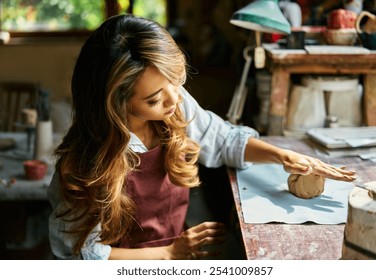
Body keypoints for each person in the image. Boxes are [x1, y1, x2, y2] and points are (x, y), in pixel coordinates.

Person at [47, 14, 356, 260]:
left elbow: (224, 140)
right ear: (115, 104)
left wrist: (286, 157)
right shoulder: (83, 167)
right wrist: (169, 254)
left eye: (174, 82)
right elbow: (83, 253)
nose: (173, 100)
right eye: (154, 99)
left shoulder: (174, 105)